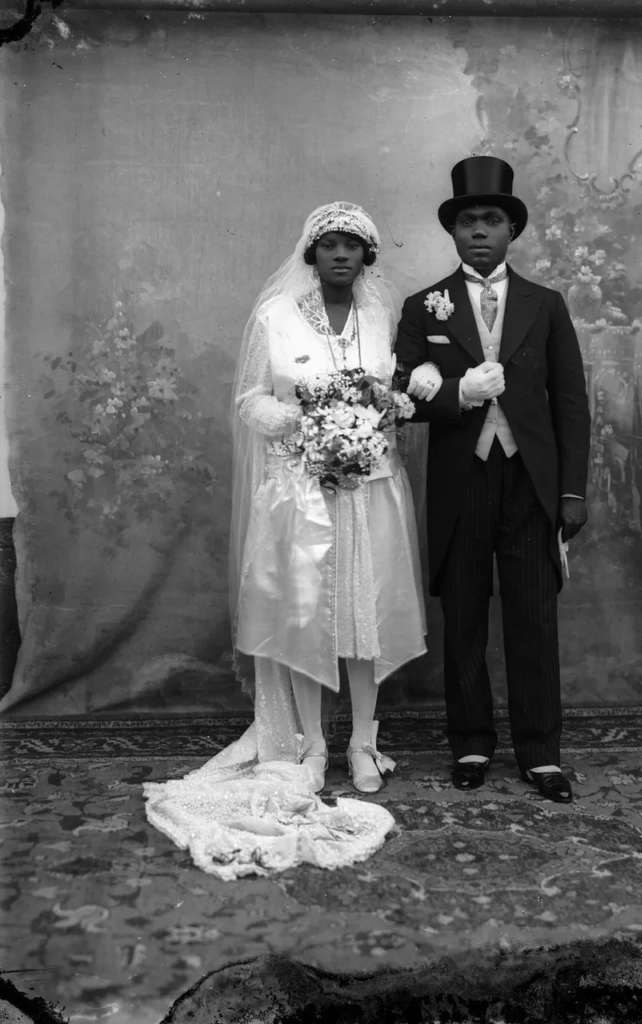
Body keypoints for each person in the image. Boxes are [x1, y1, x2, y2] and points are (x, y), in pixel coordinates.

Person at [143, 202, 429, 878]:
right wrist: (308, 428)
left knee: (363, 616)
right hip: (301, 491)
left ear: (367, 257)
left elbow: (395, 394)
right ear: (311, 254)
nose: (340, 255)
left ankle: (363, 742)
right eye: (329, 245)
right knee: (308, 619)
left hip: (369, 489)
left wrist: (376, 418)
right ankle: (312, 747)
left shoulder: (383, 318)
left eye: (352, 246)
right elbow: (251, 400)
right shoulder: (276, 316)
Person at [395, 157, 591, 803]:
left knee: (533, 616)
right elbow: (401, 398)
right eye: (467, 221)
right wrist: (457, 391)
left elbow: (570, 404)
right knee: (464, 617)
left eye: (492, 220)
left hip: (530, 483)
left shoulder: (545, 304)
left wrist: (570, 491)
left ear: (512, 230)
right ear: (452, 231)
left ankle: (540, 753)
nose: (479, 230)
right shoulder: (424, 306)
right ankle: (471, 742)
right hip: (462, 482)